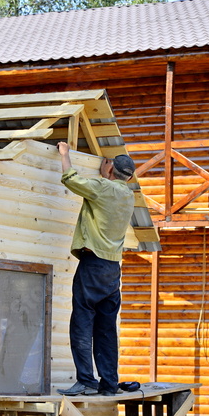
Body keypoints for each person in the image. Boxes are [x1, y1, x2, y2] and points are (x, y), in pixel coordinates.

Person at [56, 141, 135, 396]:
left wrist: (65, 154)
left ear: (110, 168)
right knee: (106, 328)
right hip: (113, 269)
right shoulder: (129, 195)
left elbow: (70, 178)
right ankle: (109, 383)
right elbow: (110, 190)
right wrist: (107, 176)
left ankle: (87, 381)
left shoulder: (102, 187)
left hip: (92, 265)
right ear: (130, 176)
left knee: (81, 322)